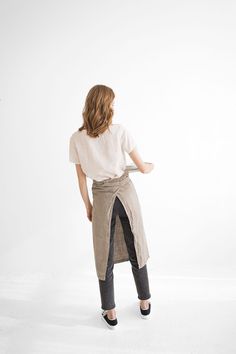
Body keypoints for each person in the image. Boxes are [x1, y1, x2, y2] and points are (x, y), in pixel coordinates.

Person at [69, 84, 154, 329]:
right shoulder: (120, 132)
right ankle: (145, 302)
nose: (114, 108)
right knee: (136, 243)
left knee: (102, 253)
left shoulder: (76, 138)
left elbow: (81, 178)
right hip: (126, 195)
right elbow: (142, 166)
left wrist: (88, 206)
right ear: (106, 106)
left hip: (102, 198)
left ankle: (110, 310)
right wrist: (149, 166)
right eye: (112, 103)